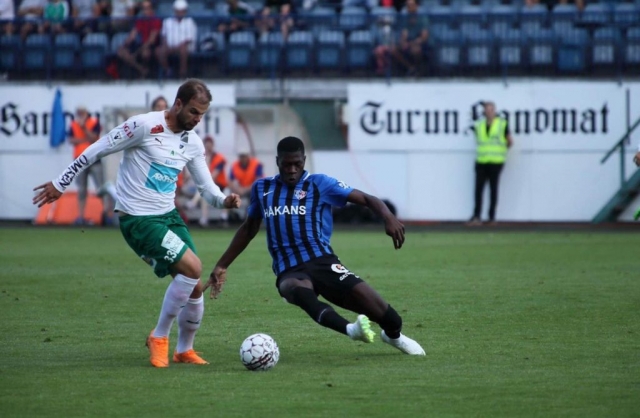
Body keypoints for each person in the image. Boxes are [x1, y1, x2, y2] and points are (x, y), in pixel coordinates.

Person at [33, 79, 241, 368]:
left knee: (193, 286)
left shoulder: (192, 142)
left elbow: (207, 189)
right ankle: (158, 337)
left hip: (168, 217)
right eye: (194, 112)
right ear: (178, 104)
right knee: (194, 269)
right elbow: (99, 148)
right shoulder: (144, 126)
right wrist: (60, 182)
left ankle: (184, 350)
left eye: (202, 115)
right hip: (139, 220)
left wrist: (224, 202)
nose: (197, 120)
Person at [204, 136, 425, 356]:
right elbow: (249, 228)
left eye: (297, 164)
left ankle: (393, 336)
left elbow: (367, 199)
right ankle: (351, 330)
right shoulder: (262, 188)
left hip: (323, 262)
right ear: (277, 162)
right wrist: (222, 265)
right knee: (297, 291)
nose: (291, 169)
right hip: (288, 268)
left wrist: (388, 217)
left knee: (390, 318)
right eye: (286, 164)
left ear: (304, 161)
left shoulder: (320, 184)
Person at [468, 101, 513, 226]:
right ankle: (477, 216)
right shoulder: (479, 125)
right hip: (481, 160)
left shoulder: (501, 124)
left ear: (494, 111)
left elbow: (509, 141)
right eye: (487, 109)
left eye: (491, 109)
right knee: (478, 190)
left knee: (493, 189)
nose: (489, 111)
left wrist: (502, 151)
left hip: (496, 161)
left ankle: (491, 217)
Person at [67, 105, 107, 225]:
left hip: (94, 158)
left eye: (82, 113)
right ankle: (81, 216)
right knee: (82, 189)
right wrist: (85, 140)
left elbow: (94, 138)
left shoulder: (94, 122)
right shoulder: (73, 124)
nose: (80, 115)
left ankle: (106, 213)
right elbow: (71, 140)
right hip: (80, 159)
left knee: (101, 187)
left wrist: (84, 129)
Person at [185, 135, 229, 227]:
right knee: (204, 194)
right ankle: (204, 218)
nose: (208, 147)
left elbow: (213, 176)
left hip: (220, 185)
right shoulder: (202, 158)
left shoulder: (219, 158)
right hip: (210, 185)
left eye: (210, 145)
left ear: (213, 145)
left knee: (204, 188)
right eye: (206, 145)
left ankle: (193, 203)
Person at [116, 0, 161, 79]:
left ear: (151, 9)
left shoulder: (156, 20)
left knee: (145, 53)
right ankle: (141, 69)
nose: (145, 10)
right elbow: (133, 35)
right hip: (141, 44)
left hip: (151, 45)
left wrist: (137, 52)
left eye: (147, 8)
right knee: (121, 52)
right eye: (143, 8)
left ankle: (147, 74)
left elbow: (151, 40)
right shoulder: (140, 19)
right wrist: (125, 44)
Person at [156, 0, 197, 79]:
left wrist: (177, 47)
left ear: (185, 11)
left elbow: (188, 40)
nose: (180, 13)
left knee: (183, 50)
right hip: (170, 46)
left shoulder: (190, 22)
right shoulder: (167, 22)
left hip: (185, 47)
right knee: (158, 51)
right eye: (178, 11)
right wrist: (166, 45)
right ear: (174, 11)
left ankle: (182, 74)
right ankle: (168, 71)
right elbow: (163, 37)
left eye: (182, 11)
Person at [228, 150, 263, 219]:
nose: (243, 158)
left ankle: (251, 216)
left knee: (254, 196)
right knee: (229, 195)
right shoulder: (235, 165)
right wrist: (236, 189)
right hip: (241, 188)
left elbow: (258, 180)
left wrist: (245, 189)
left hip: (253, 188)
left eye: (244, 156)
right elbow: (230, 181)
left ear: (248, 156)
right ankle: (228, 216)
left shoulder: (256, 164)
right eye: (241, 156)